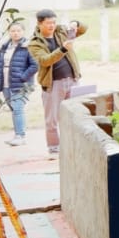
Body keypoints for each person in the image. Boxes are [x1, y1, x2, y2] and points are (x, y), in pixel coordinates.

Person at [27, 9, 86, 155]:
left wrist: (76, 23)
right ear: (39, 23)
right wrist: (63, 49)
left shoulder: (61, 31)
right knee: (52, 119)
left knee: (75, 115)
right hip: (53, 84)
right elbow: (45, 61)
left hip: (72, 80)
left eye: (53, 22)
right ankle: (54, 149)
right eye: (48, 23)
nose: (52, 25)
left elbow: (84, 29)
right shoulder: (34, 43)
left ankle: (73, 145)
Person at [0, 20, 39, 146]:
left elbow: (35, 65)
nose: (16, 33)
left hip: (22, 85)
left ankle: (20, 136)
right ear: (9, 32)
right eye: (13, 30)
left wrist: (23, 77)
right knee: (14, 109)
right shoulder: (4, 47)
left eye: (18, 30)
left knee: (18, 109)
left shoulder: (28, 46)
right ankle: (18, 134)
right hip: (6, 83)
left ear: (23, 32)